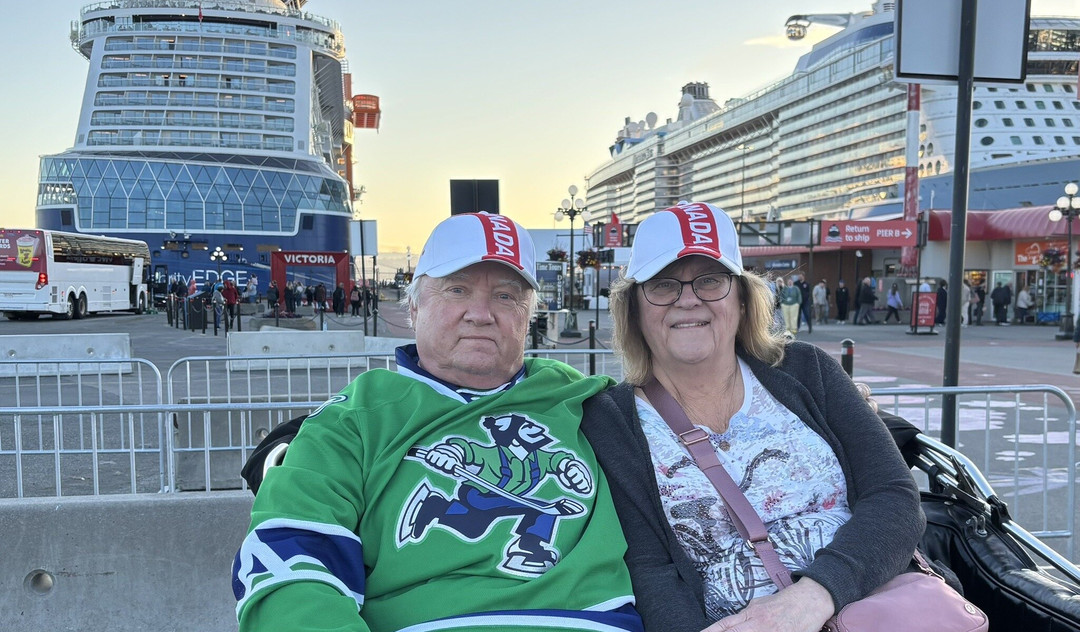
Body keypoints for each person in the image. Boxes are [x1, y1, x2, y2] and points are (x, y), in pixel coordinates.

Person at [232, 212, 641, 632]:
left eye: (505, 296)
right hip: (433, 620)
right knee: (474, 513)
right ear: (413, 305)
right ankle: (437, 508)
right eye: (457, 289)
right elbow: (289, 568)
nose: (480, 314)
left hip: (595, 621)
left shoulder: (585, 399)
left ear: (528, 315)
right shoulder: (355, 419)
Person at [580, 201, 924, 632]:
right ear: (634, 309)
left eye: (710, 281)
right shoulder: (612, 420)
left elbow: (894, 497)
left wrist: (814, 595)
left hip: (871, 610)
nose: (688, 301)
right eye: (663, 285)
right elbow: (651, 568)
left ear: (742, 299)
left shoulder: (807, 371)